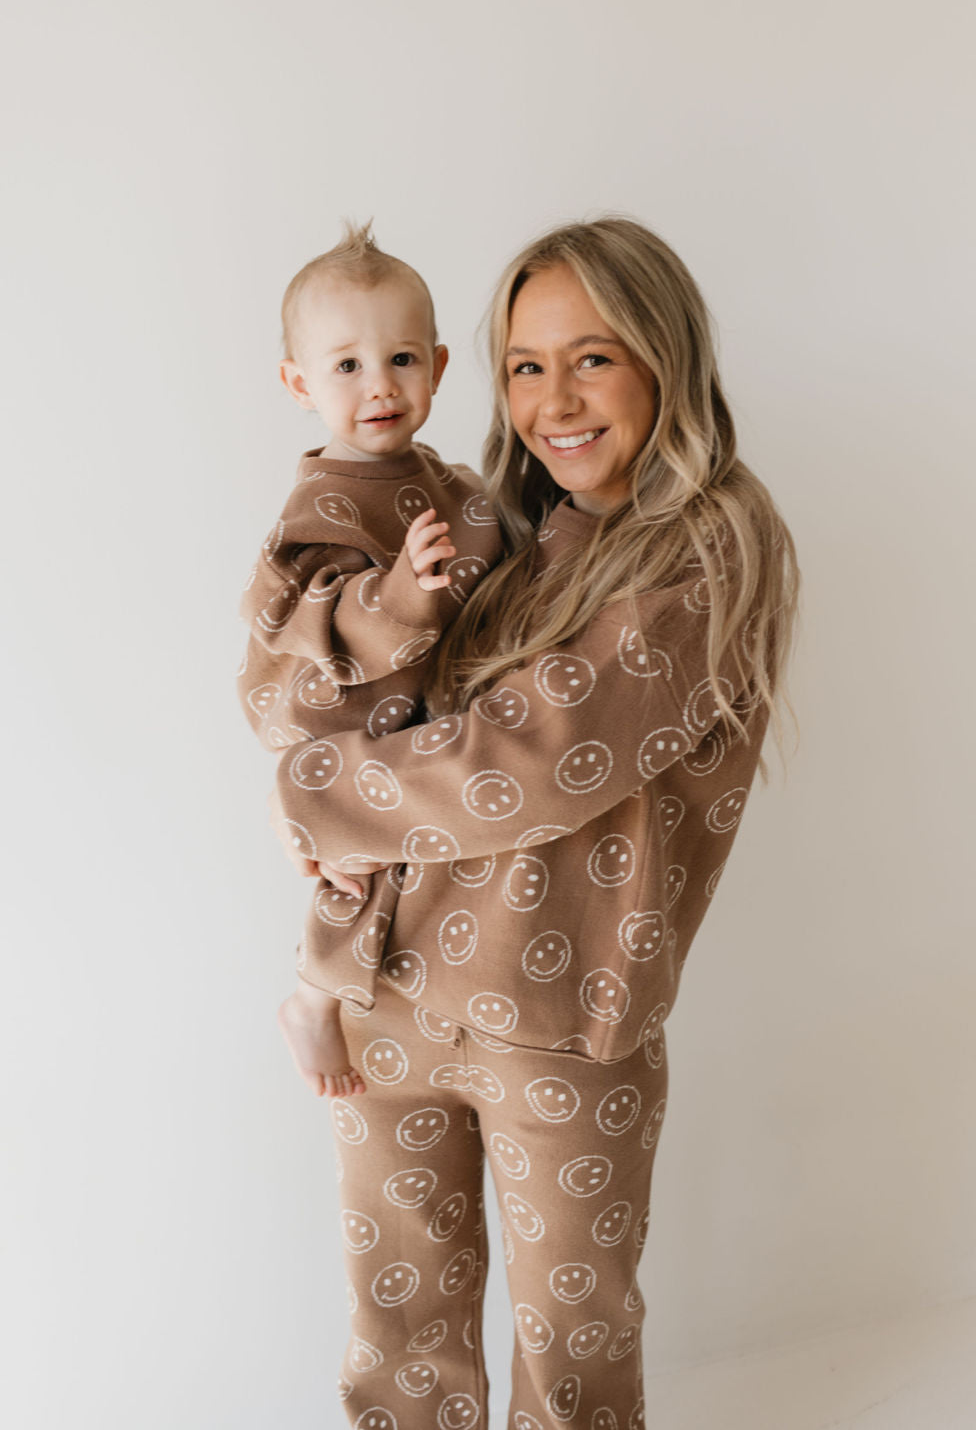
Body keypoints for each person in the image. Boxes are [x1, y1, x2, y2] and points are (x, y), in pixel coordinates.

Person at [269, 217, 800, 1428]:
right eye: (525, 363)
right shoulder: (504, 532)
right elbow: (353, 690)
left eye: (594, 356)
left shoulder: (711, 545)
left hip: (562, 1021)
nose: (553, 397)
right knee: (399, 1340)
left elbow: (530, 757)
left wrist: (317, 788)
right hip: (391, 997)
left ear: (665, 359)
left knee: (571, 1351)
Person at [239, 221, 502, 1100]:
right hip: (346, 721)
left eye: (400, 359)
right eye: (346, 365)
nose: (379, 386)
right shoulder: (320, 503)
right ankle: (313, 997)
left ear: (435, 365)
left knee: (415, 859)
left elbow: (487, 533)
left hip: (414, 720)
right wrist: (399, 594)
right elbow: (309, 611)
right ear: (297, 382)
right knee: (362, 867)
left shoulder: (443, 479)